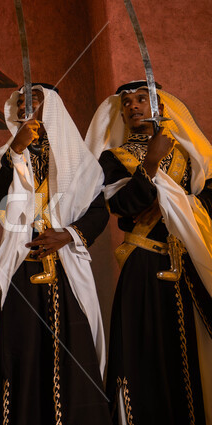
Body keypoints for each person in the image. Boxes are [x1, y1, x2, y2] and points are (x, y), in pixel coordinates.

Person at [86, 81, 212, 425]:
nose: (133, 106)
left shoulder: (189, 152)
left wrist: (180, 205)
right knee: (144, 353)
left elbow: (209, 195)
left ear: (159, 105)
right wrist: (152, 162)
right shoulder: (112, 158)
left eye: (142, 99)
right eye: (126, 103)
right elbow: (123, 206)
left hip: (192, 261)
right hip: (143, 263)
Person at [0, 84, 110, 425]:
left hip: (67, 267)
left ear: (51, 109)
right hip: (23, 266)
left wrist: (66, 236)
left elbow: (97, 212)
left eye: (34, 103)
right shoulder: (6, 156)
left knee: (76, 350)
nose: (26, 109)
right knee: (23, 351)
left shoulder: (77, 158)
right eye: (20, 104)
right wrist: (15, 150)